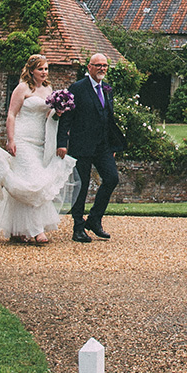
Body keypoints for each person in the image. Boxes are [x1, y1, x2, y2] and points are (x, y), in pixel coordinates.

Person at [0, 54, 74, 244]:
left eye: (46, 69)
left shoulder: (48, 89)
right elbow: (11, 115)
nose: (44, 72)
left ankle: (17, 229)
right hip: (22, 139)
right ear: (31, 70)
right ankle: (37, 230)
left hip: (40, 140)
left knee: (30, 182)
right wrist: (11, 140)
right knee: (32, 181)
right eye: (40, 69)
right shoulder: (22, 88)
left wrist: (58, 113)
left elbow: (49, 115)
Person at [63, 52, 126, 243]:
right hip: (81, 145)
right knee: (80, 187)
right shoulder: (77, 88)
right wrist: (61, 144)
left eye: (105, 65)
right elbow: (67, 117)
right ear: (89, 67)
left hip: (103, 146)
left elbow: (107, 118)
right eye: (98, 65)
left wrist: (112, 144)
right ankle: (78, 227)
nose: (102, 68)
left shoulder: (107, 89)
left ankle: (94, 219)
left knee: (111, 178)